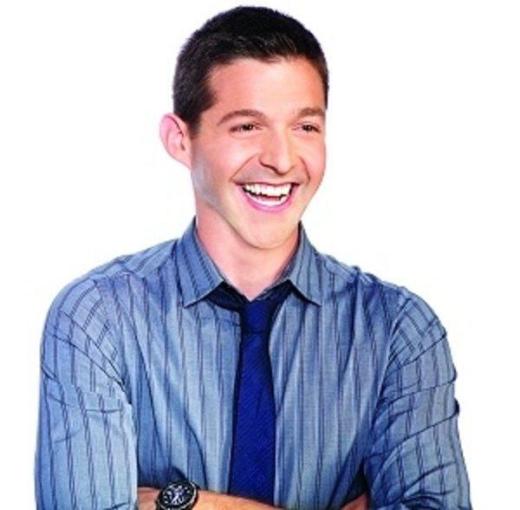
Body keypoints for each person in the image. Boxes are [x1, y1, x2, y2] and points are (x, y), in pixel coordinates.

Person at [35, 6, 472, 510]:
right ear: (180, 140)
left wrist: (189, 503)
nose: (281, 160)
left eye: (305, 127)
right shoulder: (98, 318)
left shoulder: (399, 330)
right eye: (247, 126)